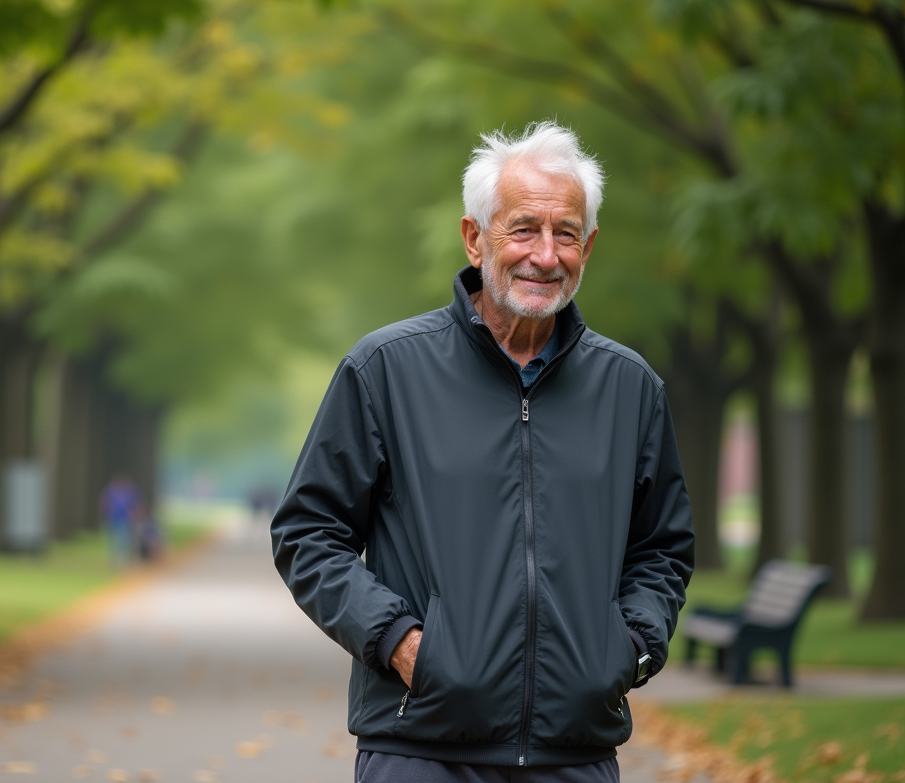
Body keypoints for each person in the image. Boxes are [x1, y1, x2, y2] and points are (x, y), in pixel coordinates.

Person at [271, 122, 694, 783]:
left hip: (575, 756)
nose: (546, 256)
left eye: (567, 234)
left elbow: (662, 548)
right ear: (474, 237)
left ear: (589, 245)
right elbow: (308, 532)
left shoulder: (631, 388)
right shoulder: (385, 370)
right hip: (419, 749)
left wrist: (631, 648)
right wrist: (401, 644)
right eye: (523, 229)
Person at [101, 473, 142, 569]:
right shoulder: (111, 490)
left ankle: (124, 559)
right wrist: (105, 514)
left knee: (124, 539)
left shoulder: (131, 491)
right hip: (113, 518)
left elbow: (138, 504)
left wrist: (135, 515)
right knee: (114, 539)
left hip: (126, 519)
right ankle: (115, 559)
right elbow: (104, 502)